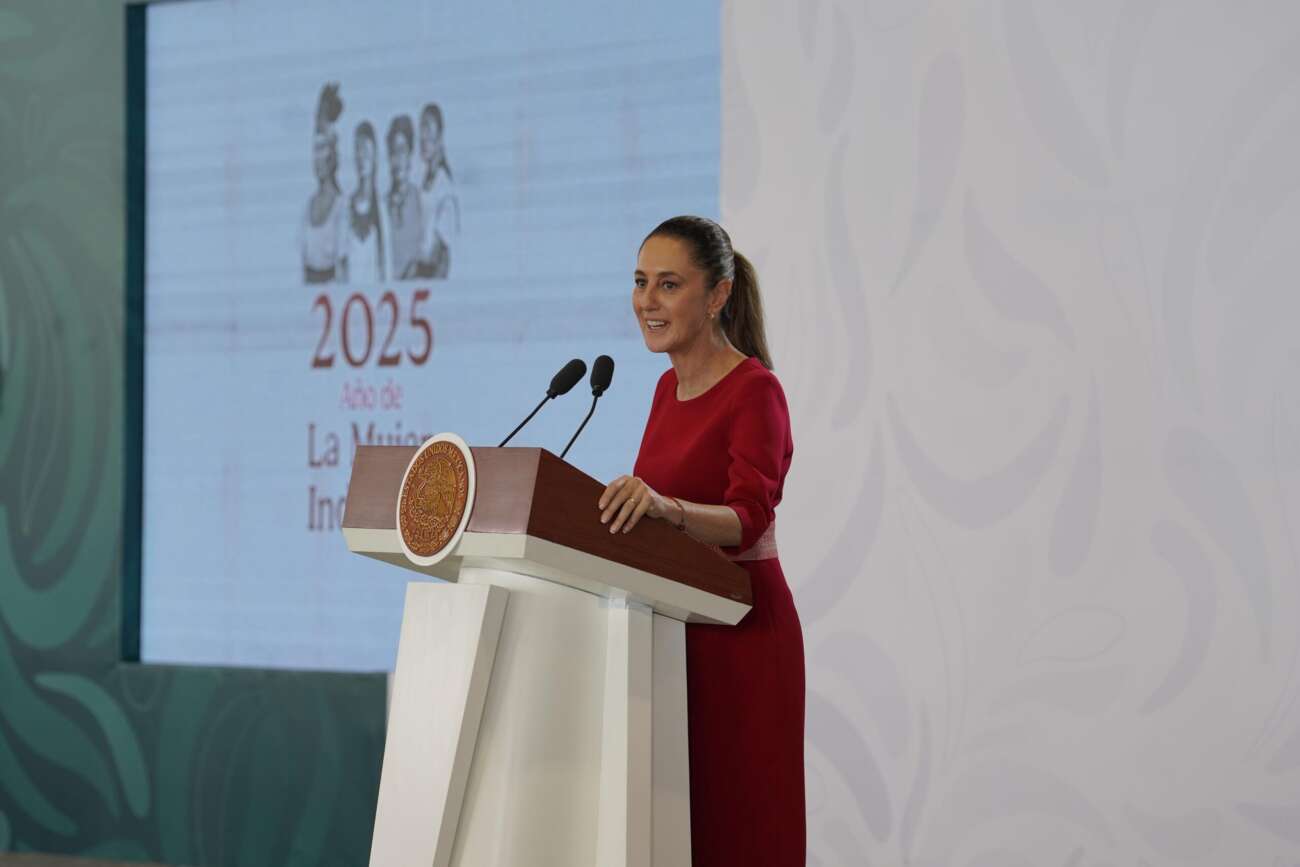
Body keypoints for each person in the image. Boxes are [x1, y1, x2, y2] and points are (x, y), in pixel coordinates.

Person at [597, 216, 805, 865]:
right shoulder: (666, 388)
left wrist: (666, 508)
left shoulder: (756, 390)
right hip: (672, 632)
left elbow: (748, 516)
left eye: (668, 284)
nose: (647, 301)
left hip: (742, 630)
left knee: (742, 826)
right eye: (640, 282)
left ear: (717, 295)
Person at [301, 83, 346, 283]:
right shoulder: (307, 205)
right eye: (315, 149)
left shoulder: (342, 206)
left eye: (323, 149)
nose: (318, 158)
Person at [415, 102, 459, 278]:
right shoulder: (424, 182)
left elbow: (442, 255)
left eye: (428, 131)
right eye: (421, 131)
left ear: (439, 138)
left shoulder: (444, 187)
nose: (423, 140)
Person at [341, 121, 385, 284]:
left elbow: (385, 262)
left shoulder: (382, 207)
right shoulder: (346, 206)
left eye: (365, 150)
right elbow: (342, 261)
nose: (361, 157)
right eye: (357, 150)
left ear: (375, 156)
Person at [384, 114, 422, 280]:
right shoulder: (382, 205)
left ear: (410, 154)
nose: (397, 159)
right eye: (393, 152)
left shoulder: (420, 201)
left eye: (402, 151)